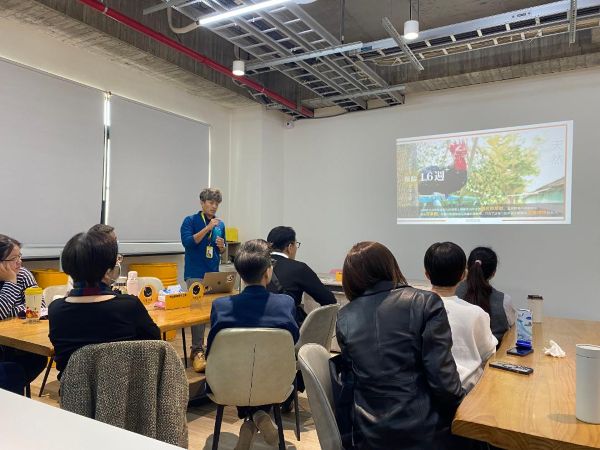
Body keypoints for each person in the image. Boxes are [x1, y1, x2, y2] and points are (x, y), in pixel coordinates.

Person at [336, 241, 464, 450]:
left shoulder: (345, 317)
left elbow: (350, 384)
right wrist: (466, 410)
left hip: (369, 435)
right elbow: (443, 381)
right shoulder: (426, 302)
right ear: (390, 266)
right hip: (424, 432)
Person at [207, 239, 298, 450]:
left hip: (228, 383)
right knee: (261, 370)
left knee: (242, 368)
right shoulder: (285, 304)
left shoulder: (221, 306)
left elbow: (213, 349)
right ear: (268, 272)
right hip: (274, 382)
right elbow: (292, 341)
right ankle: (259, 415)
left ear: (240, 274)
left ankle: (252, 418)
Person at [48, 229, 161, 378]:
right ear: (108, 269)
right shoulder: (129, 306)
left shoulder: (55, 310)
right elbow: (155, 344)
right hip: (124, 388)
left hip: (74, 391)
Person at [424, 242, 498, 392]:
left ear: (426, 274)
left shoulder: (412, 308)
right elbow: (489, 355)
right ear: (463, 275)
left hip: (424, 392)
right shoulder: (476, 313)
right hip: (467, 392)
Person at [180, 188, 226, 373]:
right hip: (195, 273)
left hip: (213, 273)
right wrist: (208, 228)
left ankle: (214, 347)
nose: (214, 206)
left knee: (215, 310)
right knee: (197, 311)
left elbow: (221, 250)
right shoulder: (190, 221)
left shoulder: (220, 224)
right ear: (202, 202)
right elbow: (188, 243)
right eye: (210, 202)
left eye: (217, 203)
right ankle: (197, 350)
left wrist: (222, 247)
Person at [0, 234, 48, 390]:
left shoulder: (23, 274)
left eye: (20, 256)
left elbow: (39, 308)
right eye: (13, 258)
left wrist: (12, 311)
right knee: (11, 374)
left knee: (37, 359)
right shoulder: (14, 278)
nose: (19, 262)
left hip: (20, 344)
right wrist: (11, 282)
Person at [266, 226, 336, 324]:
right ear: (290, 247)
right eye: (296, 244)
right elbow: (329, 300)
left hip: (255, 327)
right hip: (288, 328)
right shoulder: (299, 268)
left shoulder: (256, 265)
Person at [456, 247, 516, 344]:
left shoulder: (452, 295)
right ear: (493, 273)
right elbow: (513, 329)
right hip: (494, 353)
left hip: (457, 352)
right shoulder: (504, 301)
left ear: (467, 268)